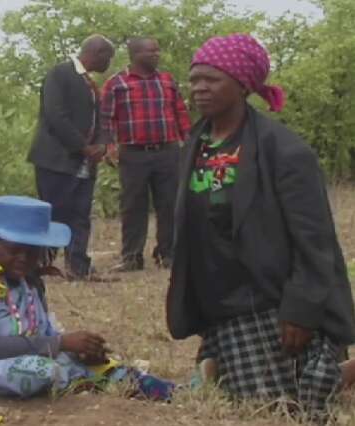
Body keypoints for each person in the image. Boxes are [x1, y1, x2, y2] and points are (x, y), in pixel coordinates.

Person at [167, 34, 355, 419]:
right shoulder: (195, 144)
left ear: (243, 84)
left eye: (212, 79)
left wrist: (300, 310)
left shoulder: (284, 150)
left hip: (270, 298)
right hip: (220, 299)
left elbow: (314, 239)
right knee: (247, 397)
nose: (199, 88)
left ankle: (339, 371)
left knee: (286, 408)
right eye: (195, 79)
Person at [0, 196, 175, 399]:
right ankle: (94, 380)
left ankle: (154, 387)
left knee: (73, 361)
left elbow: (36, 330)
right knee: (38, 372)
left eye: (33, 251)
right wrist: (60, 344)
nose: (24, 259)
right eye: (14, 249)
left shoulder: (26, 276)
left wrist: (73, 347)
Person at [27, 35, 116, 282]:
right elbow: (55, 116)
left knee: (80, 214)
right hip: (56, 159)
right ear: (97, 53)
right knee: (53, 212)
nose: (109, 63)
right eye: (108, 58)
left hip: (84, 163)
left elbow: (98, 120)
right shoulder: (60, 73)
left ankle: (79, 267)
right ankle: (41, 265)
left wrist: (100, 145)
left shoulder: (89, 82)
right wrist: (83, 147)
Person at [99, 37, 191, 272]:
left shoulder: (167, 80)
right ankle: (132, 257)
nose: (156, 54)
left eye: (157, 50)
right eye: (151, 51)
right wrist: (109, 147)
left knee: (169, 204)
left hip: (167, 150)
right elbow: (106, 119)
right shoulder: (116, 83)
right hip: (133, 153)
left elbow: (180, 112)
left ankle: (167, 254)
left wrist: (188, 140)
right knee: (133, 206)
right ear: (135, 54)